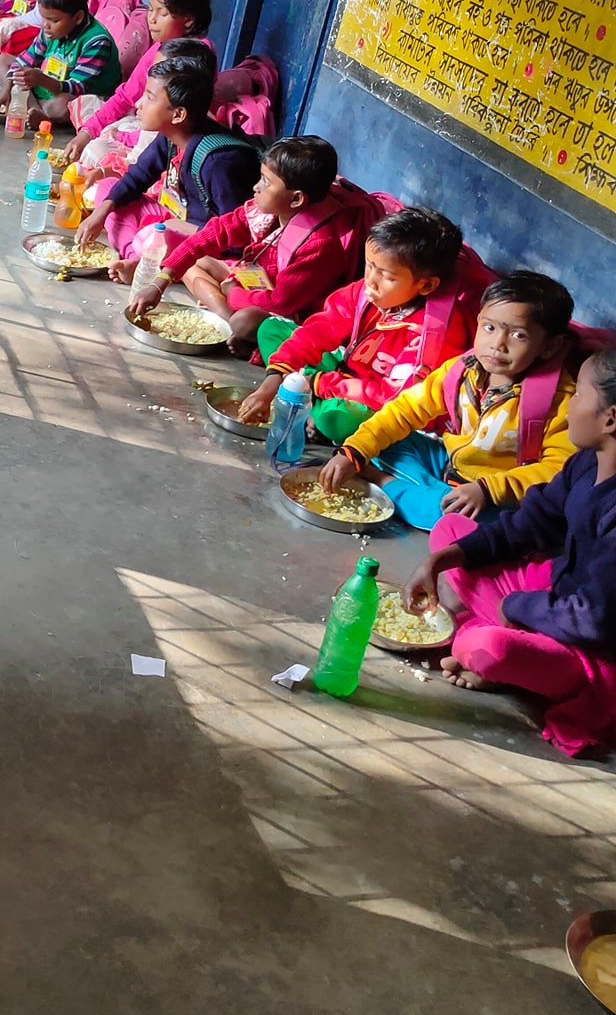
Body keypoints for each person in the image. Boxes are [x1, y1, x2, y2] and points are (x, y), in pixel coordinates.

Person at [405, 347, 616, 756]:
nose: (568, 407)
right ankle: (503, 636)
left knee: (487, 648)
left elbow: (595, 619)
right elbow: (528, 525)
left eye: (578, 395)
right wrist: (438, 561)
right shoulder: (586, 463)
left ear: (610, 418)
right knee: (450, 532)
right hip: (555, 591)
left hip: (595, 647)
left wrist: (517, 607)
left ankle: (498, 644)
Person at [318, 272, 577, 530]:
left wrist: (489, 489)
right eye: (490, 328)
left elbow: (559, 469)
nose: (498, 344)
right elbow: (404, 410)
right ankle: (423, 491)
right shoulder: (463, 369)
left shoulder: (558, 400)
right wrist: (353, 453)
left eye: (518, 335)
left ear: (550, 346)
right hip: (449, 464)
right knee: (379, 437)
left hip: (495, 496)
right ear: (479, 320)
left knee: (456, 518)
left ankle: (384, 482)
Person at [236, 207, 476, 440]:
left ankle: (307, 399)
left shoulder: (434, 335)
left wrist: (317, 383)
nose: (371, 280)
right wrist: (272, 380)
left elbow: (394, 397)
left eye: (387, 276)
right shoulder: (365, 292)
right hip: (342, 374)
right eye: (369, 265)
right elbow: (320, 330)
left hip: (375, 402)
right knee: (271, 330)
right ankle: (306, 398)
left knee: (339, 420)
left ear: (426, 285)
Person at [131, 137, 377, 357]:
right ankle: (229, 322)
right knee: (195, 262)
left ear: (296, 198)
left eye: (266, 182)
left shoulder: (320, 245)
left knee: (245, 321)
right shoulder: (267, 211)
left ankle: (235, 327)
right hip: (254, 283)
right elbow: (212, 234)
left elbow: (280, 304)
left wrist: (232, 293)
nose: (255, 187)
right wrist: (159, 282)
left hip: (291, 312)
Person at [75, 42, 260, 278]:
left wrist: (183, 229)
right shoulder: (170, 136)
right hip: (178, 216)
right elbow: (137, 176)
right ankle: (136, 259)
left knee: (156, 236)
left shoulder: (220, 162)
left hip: (209, 239)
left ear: (178, 114)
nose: (138, 104)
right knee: (108, 191)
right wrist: (101, 212)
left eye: (149, 98)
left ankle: (142, 263)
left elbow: (236, 236)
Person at [62, 0, 215, 163]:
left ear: (188, 19)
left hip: (167, 135)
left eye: (162, 13)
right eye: (151, 9)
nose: (152, 19)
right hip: (149, 122)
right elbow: (127, 96)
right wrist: (87, 132)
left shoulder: (193, 58)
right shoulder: (159, 48)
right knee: (90, 110)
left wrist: (125, 137)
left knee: (96, 152)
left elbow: (173, 124)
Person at [0, 0, 121, 130]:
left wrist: (40, 79)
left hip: (76, 94)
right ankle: (37, 111)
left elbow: (76, 87)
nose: (45, 25)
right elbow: (23, 61)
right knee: (3, 61)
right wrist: (6, 89)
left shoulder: (97, 42)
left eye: (53, 20)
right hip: (50, 85)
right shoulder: (50, 30)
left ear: (78, 18)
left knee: (61, 106)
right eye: (43, 17)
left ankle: (41, 114)